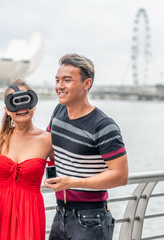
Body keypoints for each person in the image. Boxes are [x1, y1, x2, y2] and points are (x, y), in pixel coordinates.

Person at [44, 53, 129, 240]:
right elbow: (48, 146)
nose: (59, 86)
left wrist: (72, 183)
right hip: (61, 213)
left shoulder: (103, 125)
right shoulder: (59, 112)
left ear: (86, 84)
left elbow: (121, 176)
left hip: (91, 219)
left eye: (67, 80)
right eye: (57, 80)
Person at [0, 79, 53, 240]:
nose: (21, 107)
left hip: (30, 211)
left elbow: (60, 171)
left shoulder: (48, 139)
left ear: (34, 105)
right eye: (15, 102)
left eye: (25, 100)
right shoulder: (1, 137)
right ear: (7, 109)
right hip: (0, 210)